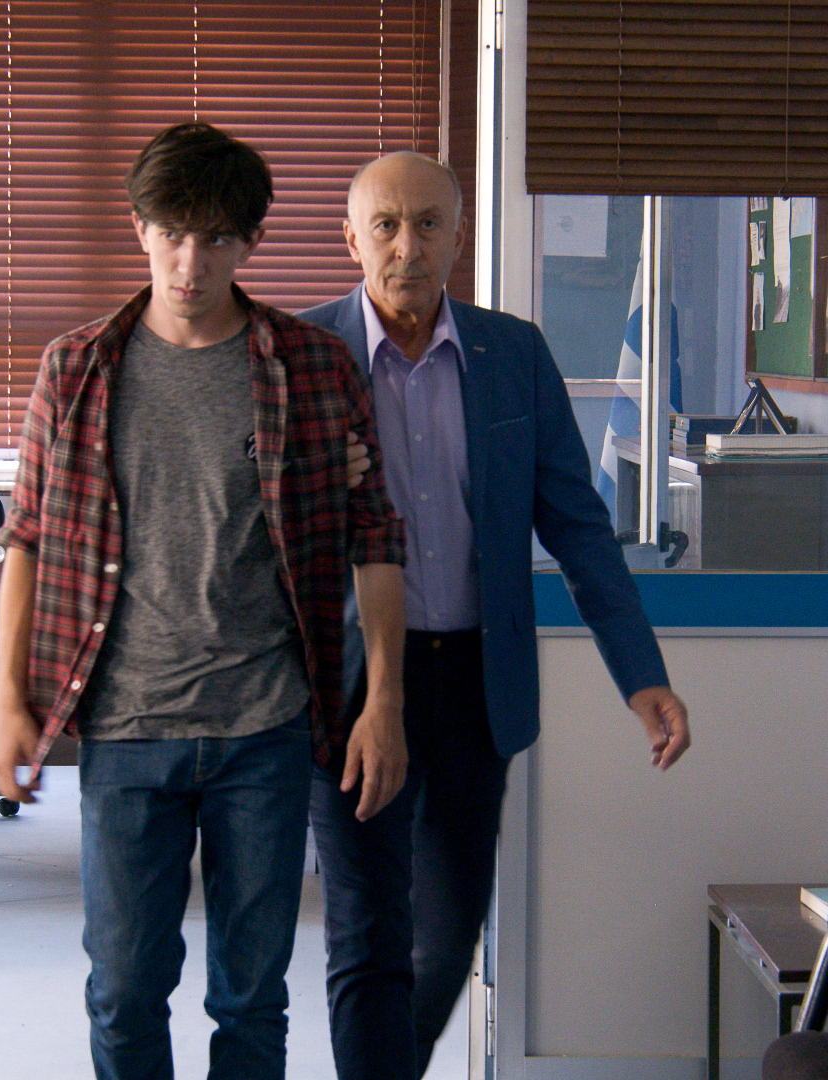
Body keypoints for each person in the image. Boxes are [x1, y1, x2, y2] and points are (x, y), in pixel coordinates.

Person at [0, 123, 410, 1080]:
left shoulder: (312, 366)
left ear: (249, 241)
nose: (190, 262)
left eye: (217, 238)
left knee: (252, 997)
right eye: (172, 233)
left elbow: (375, 539)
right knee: (124, 990)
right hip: (127, 727)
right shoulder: (76, 368)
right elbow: (28, 538)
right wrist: (10, 701)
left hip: (265, 728)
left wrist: (383, 701)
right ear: (139, 226)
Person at [300, 151, 693, 1080]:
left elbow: (579, 527)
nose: (408, 246)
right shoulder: (302, 354)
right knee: (367, 934)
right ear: (351, 239)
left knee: (446, 934)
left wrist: (640, 674)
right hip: (350, 687)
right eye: (386, 226)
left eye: (428, 224)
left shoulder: (512, 354)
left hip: (477, 682)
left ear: (460, 236)